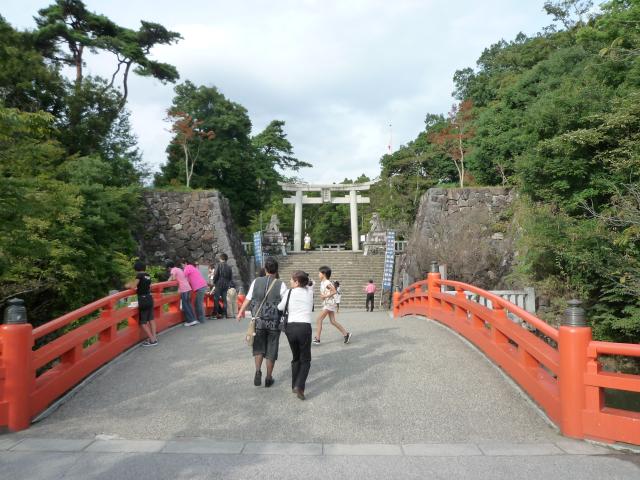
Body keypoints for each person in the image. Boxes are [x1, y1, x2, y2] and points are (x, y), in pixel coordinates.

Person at [237, 257, 286, 387]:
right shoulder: (281, 284)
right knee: (271, 350)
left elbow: (248, 299)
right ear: (277, 269)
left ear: (265, 269)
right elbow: (285, 303)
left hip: (258, 321)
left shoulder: (256, 281)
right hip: (274, 323)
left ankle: (258, 371)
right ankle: (268, 378)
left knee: (258, 347)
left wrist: (240, 311)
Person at [279, 270, 314, 400]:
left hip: (291, 328)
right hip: (304, 327)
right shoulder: (309, 292)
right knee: (306, 360)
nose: (290, 281)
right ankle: (300, 386)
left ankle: (294, 384)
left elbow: (280, 307)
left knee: (296, 357)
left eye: (292, 280)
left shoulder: (289, 292)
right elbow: (311, 284)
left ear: (297, 282)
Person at [313, 266, 351, 345]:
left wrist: (325, 296)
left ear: (324, 274)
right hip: (328, 303)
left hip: (329, 303)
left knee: (319, 319)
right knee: (333, 321)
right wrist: (323, 296)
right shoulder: (323, 282)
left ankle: (317, 338)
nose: (318, 274)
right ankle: (346, 334)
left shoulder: (327, 282)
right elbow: (327, 292)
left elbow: (334, 291)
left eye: (319, 273)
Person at [126, 260, 158, 346]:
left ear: (136, 268)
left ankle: (152, 340)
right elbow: (149, 287)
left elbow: (133, 286)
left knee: (143, 322)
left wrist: (128, 285)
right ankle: (154, 337)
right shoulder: (148, 275)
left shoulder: (139, 275)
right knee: (151, 319)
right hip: (149, 298)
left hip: (143, 299)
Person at [167, 260, 198, 326]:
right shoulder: (179, 269)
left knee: (185, 305)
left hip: (183, 289)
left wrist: (169, 280)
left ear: (169, 267)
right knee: (188, 304)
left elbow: (173, 278)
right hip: (188, 288)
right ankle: (194, 319)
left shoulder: (173, 270)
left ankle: (190, 321)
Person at [183, 259, 208, 323]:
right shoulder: (193, 267)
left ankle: (201, 319)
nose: (182, 266)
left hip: (200, 287)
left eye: (182, 264)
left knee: (199, 304)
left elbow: (183, 276)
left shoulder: (188, 267)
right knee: (198, 303)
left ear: (185, 263)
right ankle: (200, 318)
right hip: (202, 286)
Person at [213, 253, 233, 318]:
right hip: (226, 284)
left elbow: (216, 274)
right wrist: (228, 283)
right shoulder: (229, 267)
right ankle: (224, 314)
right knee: (224, 299)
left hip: (219, 283)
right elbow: (230, 277)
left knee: (216, 299)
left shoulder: (218, 265)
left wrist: (214, 282)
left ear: (220, 258)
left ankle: (215, 314)